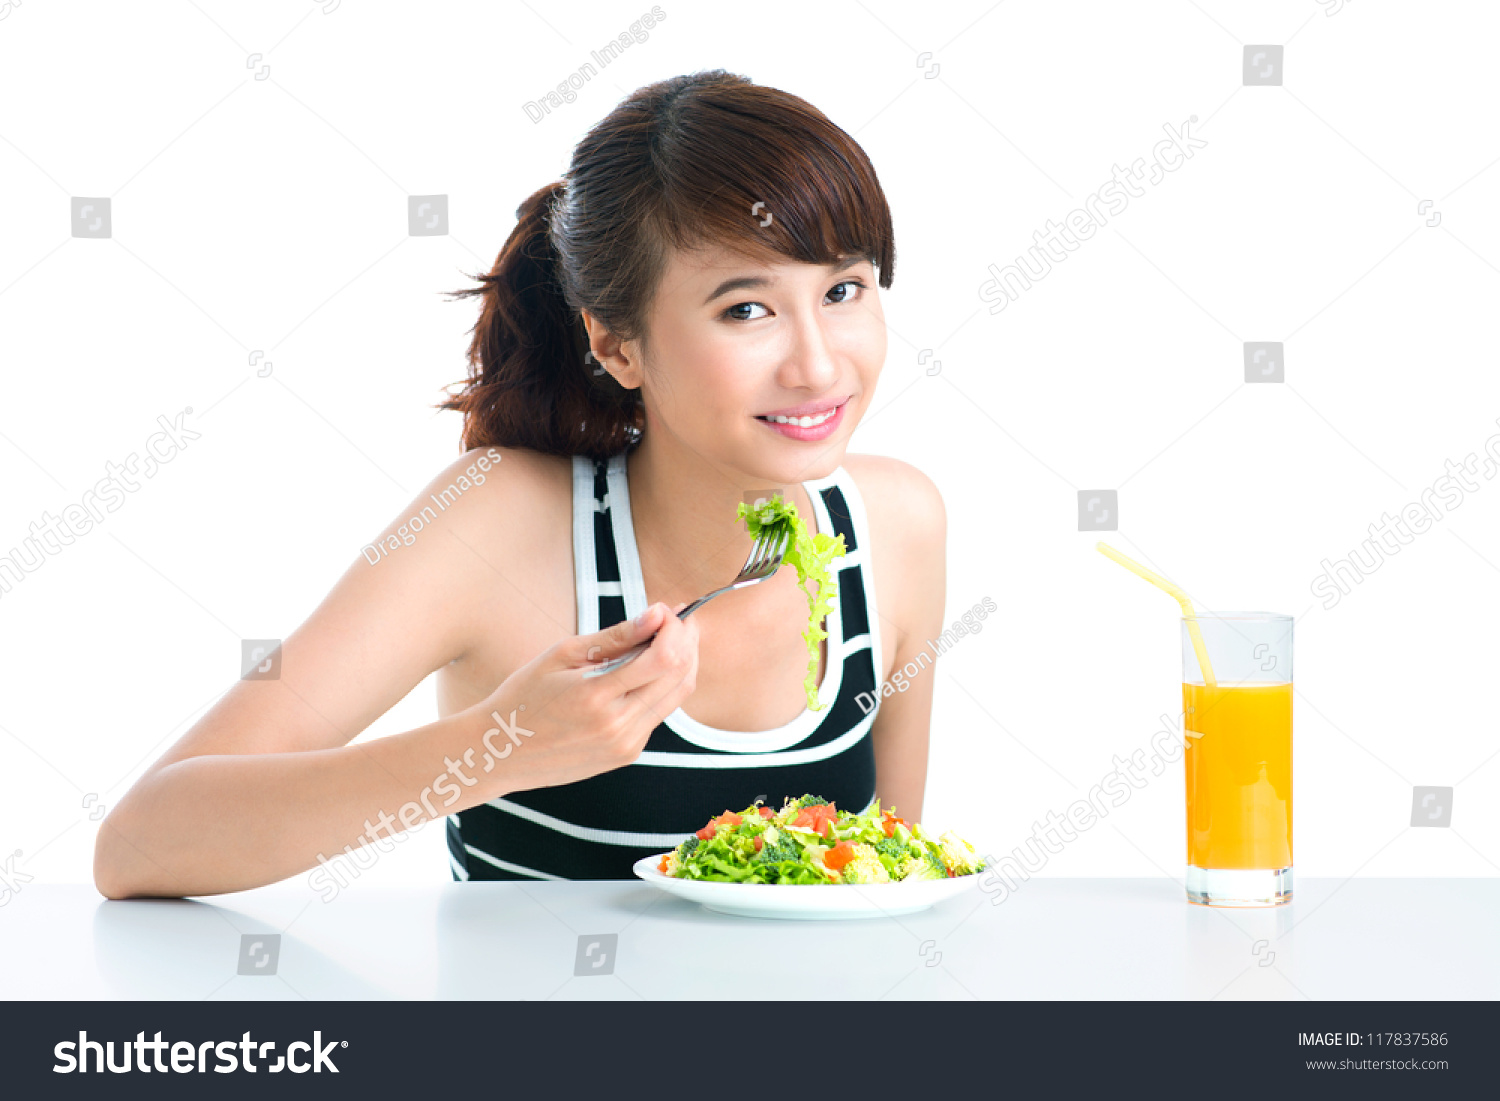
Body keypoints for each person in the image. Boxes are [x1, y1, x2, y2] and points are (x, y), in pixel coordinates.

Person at [94, 69, 945, 897]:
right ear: (616, 344)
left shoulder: (896, 527)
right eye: (746, 309)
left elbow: (892, 882)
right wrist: (496, 747)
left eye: (843, 289)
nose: (819, 363)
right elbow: (139, 845)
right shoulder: (496, 523)